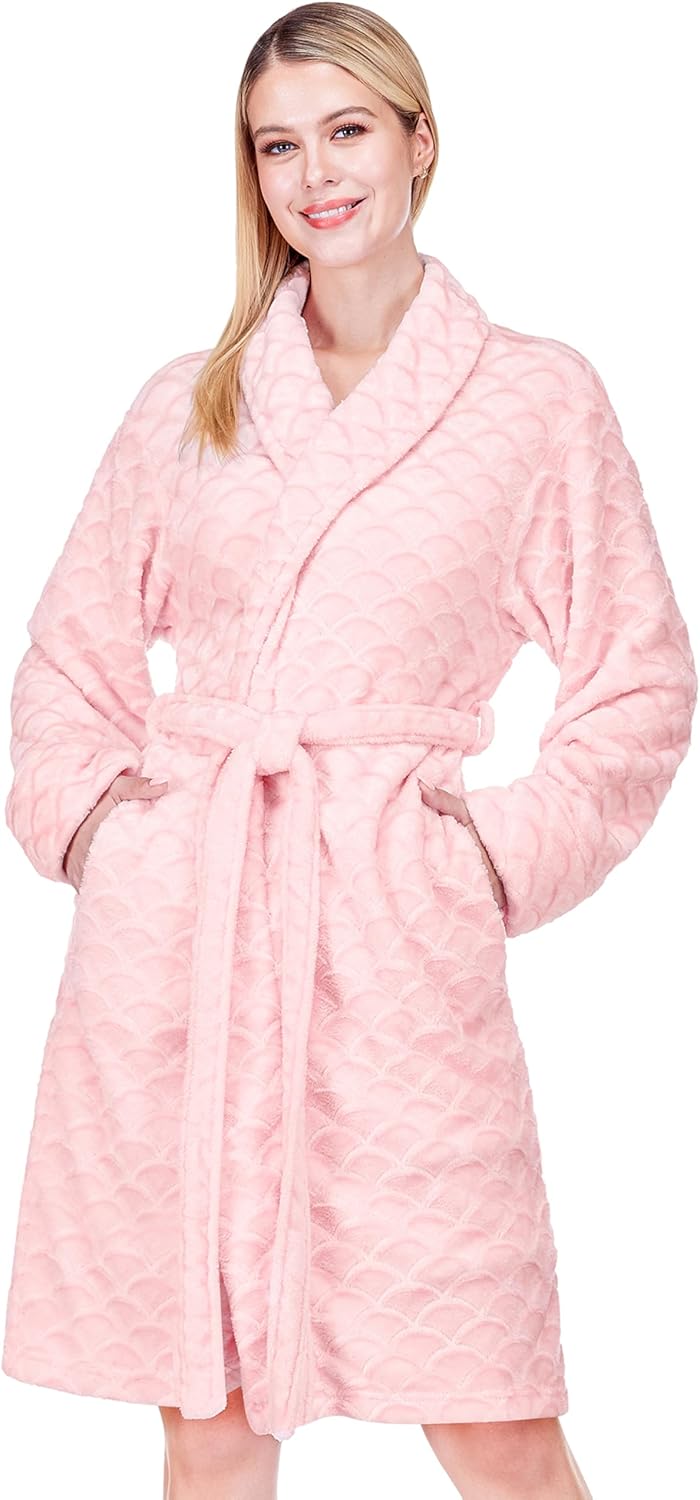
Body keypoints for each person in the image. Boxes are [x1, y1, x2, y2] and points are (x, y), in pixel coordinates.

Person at [2, 4, 696, 1497]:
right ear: (250, 173)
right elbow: (68, 660)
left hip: (392, 939)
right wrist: (103, 831)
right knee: (208, 1410)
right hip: (186, 941)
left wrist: (487, 859)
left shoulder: (536, 397)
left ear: (418, 141)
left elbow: (638, 681)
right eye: (278, 145)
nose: (315, 174)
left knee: (492, 1417)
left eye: (348, 130)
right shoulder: (187, 400)